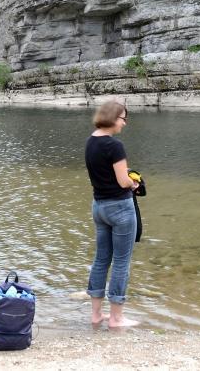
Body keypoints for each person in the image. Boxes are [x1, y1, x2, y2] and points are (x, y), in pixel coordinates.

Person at [85, 100, 139, 328]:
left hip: (99, 207)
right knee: (121, 262)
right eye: (123, 118)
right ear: (113, 118)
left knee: (101, 259)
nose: (124, 123)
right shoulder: (115, 146)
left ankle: (96, 315)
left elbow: (104, 172)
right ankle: (116, 318)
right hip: (120, 208)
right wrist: (134, 183)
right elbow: (123, 181)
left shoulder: (91, 141)